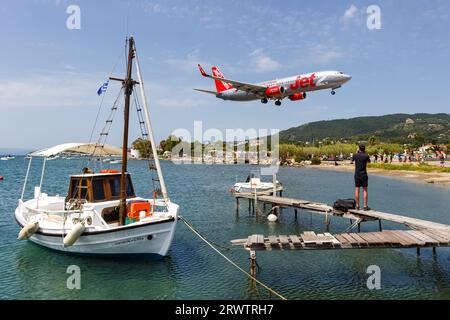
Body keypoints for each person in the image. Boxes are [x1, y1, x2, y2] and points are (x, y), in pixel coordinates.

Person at [352, 144, 371, 211]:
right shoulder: (366, 155)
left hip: (357, 174)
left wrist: (357, 152)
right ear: (364, 149)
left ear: (359, 148)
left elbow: (352, 160)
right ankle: (365, 206)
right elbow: (369, 161)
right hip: (364, 174)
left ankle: (357, 206)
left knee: (357, 189)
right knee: (365, 190)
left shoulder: (355, 155)